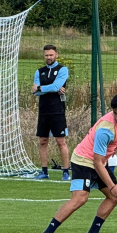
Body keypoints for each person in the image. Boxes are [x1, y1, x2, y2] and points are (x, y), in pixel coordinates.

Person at [36, 93, 117, 233]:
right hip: (83, 160)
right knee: (80, 198)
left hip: (99, 161)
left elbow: (102, 157)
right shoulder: (105, 130)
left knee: (113, 197)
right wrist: (112, 186)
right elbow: (96, 162)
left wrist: (114, 148)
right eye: (115, 112)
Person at [32, 44, 70, 181]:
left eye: (51, 55)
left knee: (61, 141)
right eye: (46, 55)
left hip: (57, 111)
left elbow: (53, 86)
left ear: (56, 55)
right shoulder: (39, 71)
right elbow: (35, 91)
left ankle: (66, 172)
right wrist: (51, 88)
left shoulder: (62, 70)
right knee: (43, 141)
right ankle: (44, 172)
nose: (49, 57)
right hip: (43, 111)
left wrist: (42, 88)